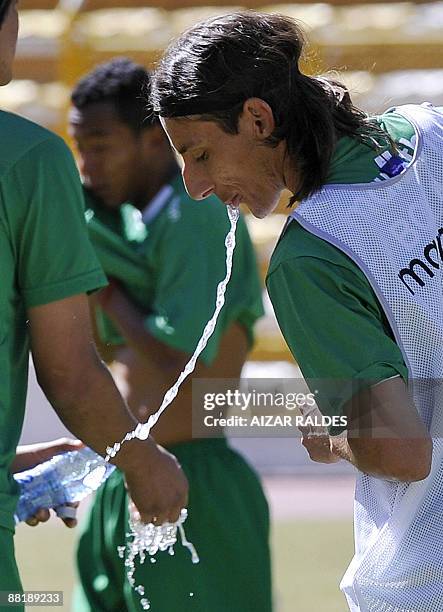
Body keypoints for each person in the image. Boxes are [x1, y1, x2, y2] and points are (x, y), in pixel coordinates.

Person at [149, 10, 443, 612]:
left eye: (200, 154)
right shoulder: (431, 130)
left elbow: (402, 453)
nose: (193, 185)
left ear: (258, 119)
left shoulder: (311, 258)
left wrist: (333, 430)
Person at [0, 3, 188, 608]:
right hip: (172, 464)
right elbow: (72, 371)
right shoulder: (27, 158)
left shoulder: (195, 217)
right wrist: (141, 461)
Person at [68, 58, 272, 612]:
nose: (88, 166)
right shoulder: (129, 228)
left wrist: (108, 293)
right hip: (124, 474)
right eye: (80, 147)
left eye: (103, 146)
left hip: (192, 477)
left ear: (154, 142)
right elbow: (105, 350)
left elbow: (187, 364)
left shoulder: (196, 218)